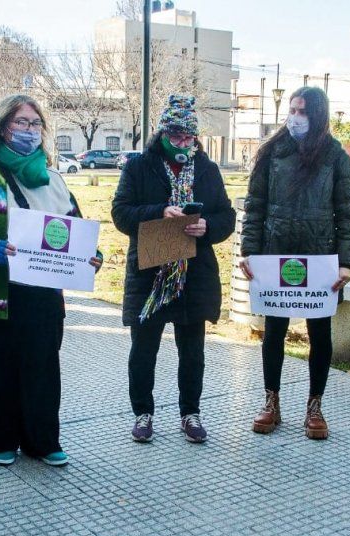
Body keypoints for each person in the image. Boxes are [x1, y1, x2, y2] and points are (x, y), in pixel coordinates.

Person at [0, 94, 102, 466]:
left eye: (35, 124)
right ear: (2, 127)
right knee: (0, 370)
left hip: (43, 294)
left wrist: (90, 257)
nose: (29, 130)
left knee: (43, 368)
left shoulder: (52, 178)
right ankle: (0, 440)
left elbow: (75, 228)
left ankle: (42, 441)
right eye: (21, 123)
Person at [238, 87, 350, 440]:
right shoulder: (272, 152)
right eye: (292, 110)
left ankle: (315, 405)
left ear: (318, 115)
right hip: (275, 253)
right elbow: (255, 205)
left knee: (320, 335)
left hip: (320, 258)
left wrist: (345, 263)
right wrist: (250, 252)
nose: (295, 117)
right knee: (273, 331)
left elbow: (348, 214)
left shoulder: (336, 156)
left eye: (303, 111)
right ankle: (271, 401)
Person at [112, 94, 235, 444]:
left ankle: (190, 413)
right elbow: (121, 213)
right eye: (177, 136)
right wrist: (158, 212)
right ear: (163, 134)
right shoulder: (138, 167)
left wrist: (207, 226)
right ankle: (142, 413)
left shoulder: (208, 170)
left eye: (189, 137)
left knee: (193, 350)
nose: (183, 144)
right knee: (144, 348)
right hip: (149, 272)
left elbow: (226, 216)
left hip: (193, 274)